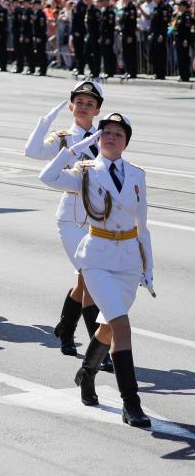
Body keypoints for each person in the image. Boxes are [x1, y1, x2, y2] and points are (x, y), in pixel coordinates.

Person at [39, 114, 153, 428]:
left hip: (127, 261)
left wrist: (149, 266)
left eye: (118, 133)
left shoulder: (136, 175)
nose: (110, 137)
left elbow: (142, 226)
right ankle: (131, 403)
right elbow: (46, 177)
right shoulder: (85, 172)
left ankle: (86, 374)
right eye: (105, 133)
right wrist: (73, 150)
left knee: (107, 326)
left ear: (126, 141)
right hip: (97, 258)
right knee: (121, 324)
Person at [24, 81, 108, 364]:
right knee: (91, 279)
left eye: (89, 103)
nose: (83, 107)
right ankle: (99, 350)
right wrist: (43, 122)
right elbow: (32, 152)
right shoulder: (63, 138)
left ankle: (66, 328)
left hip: (99, 220)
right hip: (72, 218)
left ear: (97, 109)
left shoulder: (106, 137)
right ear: (71, 106)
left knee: (86, 280)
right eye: (79, 101)